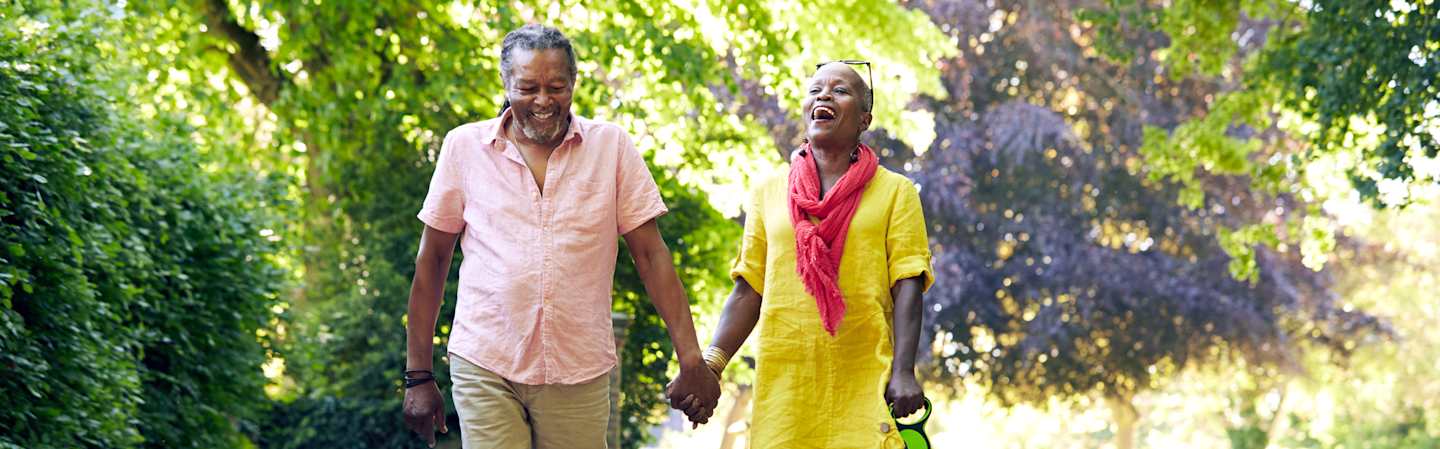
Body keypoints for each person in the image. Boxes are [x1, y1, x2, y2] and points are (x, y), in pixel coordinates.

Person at [399, 24, 719, 449]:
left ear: (574, 83)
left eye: (556, 86)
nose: (543, 101)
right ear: (505, 83)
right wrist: (418, 374)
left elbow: (651, 256)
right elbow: (433, 260)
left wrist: (692, 358)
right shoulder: (465, 148)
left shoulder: (611, 147)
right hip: (486, 359)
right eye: (528, 87)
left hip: (579, 368)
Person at [699, 61, 934, 448]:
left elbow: (908, 284)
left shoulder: (896, 192)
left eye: (840, 91)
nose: (824, 95)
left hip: (864, 382)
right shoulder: (767, 192)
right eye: (815, 90)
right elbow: (748, 290)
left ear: (864, 119)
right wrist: (712, 365)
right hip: (786, 388)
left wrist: (904, 371)